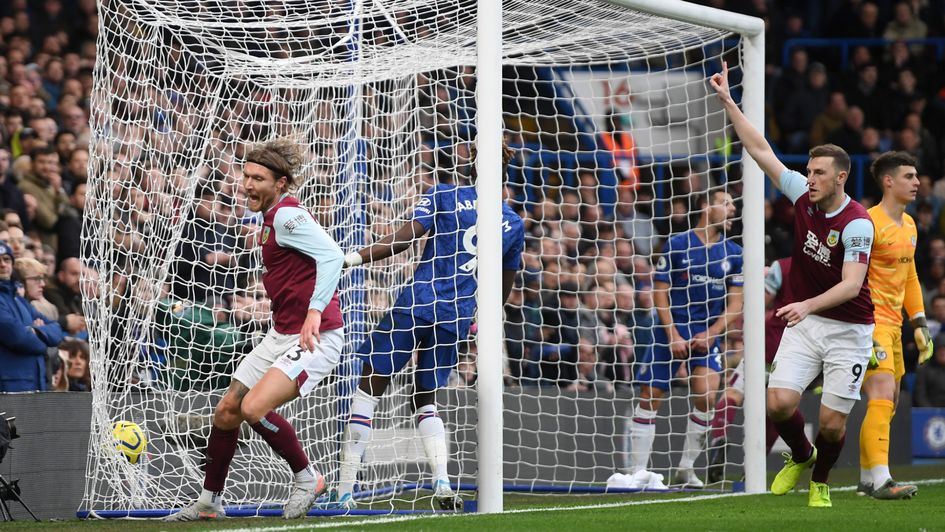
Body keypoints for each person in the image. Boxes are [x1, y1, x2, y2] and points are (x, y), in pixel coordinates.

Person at [711, 62, 875, 508]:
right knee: (779, 404)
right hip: (808, 322)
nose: (811, 177)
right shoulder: (802, 195)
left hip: (849, 328)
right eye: (809, 170)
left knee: (832, 423)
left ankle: (820, 480)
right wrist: (728, 101)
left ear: (841, 176)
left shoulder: (858, 224)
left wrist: (803, 304)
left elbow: (850, 284)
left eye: (820, 172)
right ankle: (800, 457)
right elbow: (762, 150)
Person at [327, 141, 525, 510]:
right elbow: (502, 288)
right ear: (504, 176)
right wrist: (478, 321)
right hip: (455, 318)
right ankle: (442, 483)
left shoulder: (444, 194)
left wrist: (351, 259)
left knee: (370, 386)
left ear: (471, 167)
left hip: (417, 304)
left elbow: (404, 238)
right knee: (426, 399)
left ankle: (345, 491)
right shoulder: (512, 222)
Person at [165, 138, 345, 521]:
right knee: (228, 410)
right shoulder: (270, 217)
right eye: (245, 175)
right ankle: (209, 502)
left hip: (316, 334)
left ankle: (307, 478)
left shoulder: (286, 216)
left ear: (280, 183)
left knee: (253, 407)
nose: (247, 184)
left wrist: (314, 312)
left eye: (258, 178)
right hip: (282, 332)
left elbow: (332, 255)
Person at [629, 188, 743, 488]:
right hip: (670, 331)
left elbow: (735, 304)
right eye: (726, 203)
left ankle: (686, 467)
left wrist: (712, 333)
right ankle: (638, 472)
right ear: (706, 206)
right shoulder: (677, 244)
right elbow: (660, 291)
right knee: (650, 397)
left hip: (706, 335)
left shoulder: (735, 254)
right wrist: (672, 334)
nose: (732, 210)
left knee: (706, 395)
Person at [857, 152, 929, 499]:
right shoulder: (867, 224)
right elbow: (850, 278)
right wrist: (861, 327)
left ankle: (867, 478)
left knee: (889, 402)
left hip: (895, 325)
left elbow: (910, 276)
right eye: (909, 176)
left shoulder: (910, 225)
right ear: (889, 181)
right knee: (882, 397)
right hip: (870, 324)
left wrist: (918, 321)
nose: (917, 183)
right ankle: (883, 481)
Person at [706, 258, 791, 483]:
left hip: (769, 341)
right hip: (800, 348)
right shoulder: (826, 271)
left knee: (733, 393)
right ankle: (753, 468)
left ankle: (719, 438)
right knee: (779, 409)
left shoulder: (782, 267)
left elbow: (759, 302)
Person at [0, 241, 64, 392]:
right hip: (9, 388)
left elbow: (57, 329)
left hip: (35, 384)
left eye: (7, 259)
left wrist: (35, 331)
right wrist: (44, 343)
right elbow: (18, 337)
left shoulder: (18, 300)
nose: (3, 265)